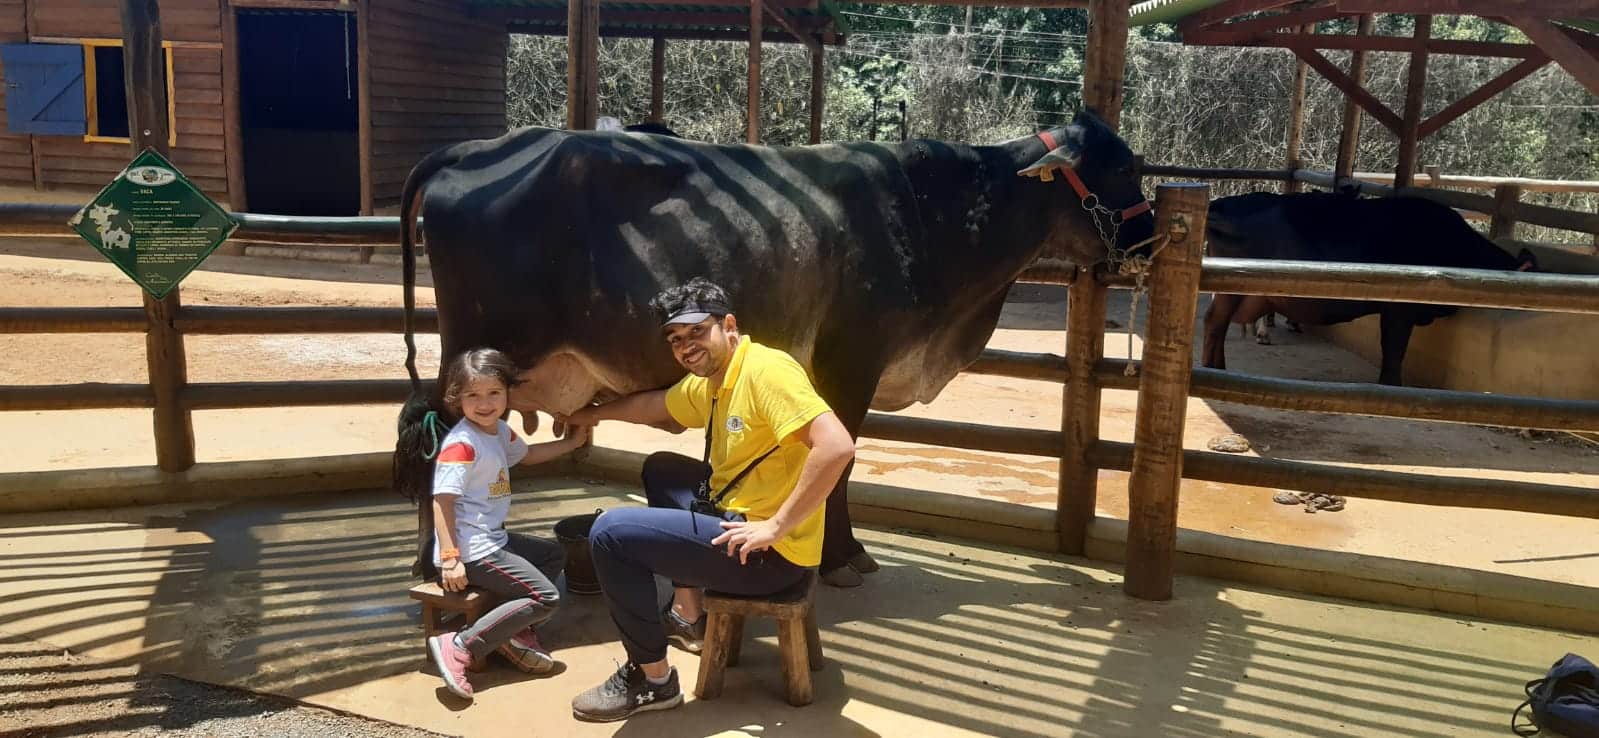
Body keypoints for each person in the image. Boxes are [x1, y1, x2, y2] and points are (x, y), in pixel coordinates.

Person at [559, 277, 856, 722]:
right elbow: (655, 406)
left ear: (728, 325)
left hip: (767, 555)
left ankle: (652, 679)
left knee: (610, 534)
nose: (686, 347)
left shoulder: (767, 373)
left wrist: (776, 526)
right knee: (663, 468)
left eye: (697, 331)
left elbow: (836, 446)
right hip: (739, 520)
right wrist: (588, 415)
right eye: (676, 339)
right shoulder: (720, 378)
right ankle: (688, 612)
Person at [421, 347, 592, 702]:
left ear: (507, 394)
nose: (484, 403)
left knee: (551, 556)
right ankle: (461, 645)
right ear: (457, 398)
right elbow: (441, 501)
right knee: (546, 596)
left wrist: (571, 442)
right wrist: (451, 558)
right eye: (473, 395)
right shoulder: (462, 445)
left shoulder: (498, 431)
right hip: (470, 551)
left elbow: (527, 456)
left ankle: (513, 631)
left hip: (491, 540)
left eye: (494, 393)